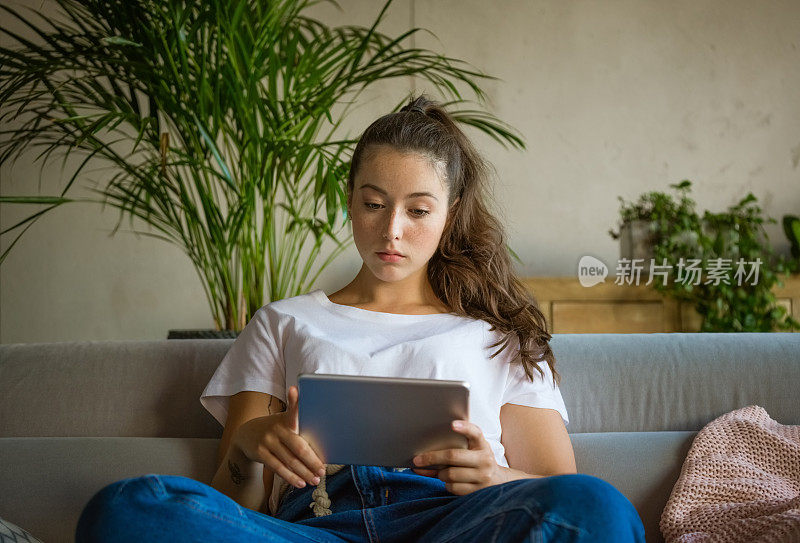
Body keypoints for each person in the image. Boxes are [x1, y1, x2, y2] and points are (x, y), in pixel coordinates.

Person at [76, 95, 645, 542]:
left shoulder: (495, 335)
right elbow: (234, 508)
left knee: (597, 507)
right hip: (315, 524)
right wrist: (250, 446)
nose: (392, 230)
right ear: (350, 200)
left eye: (419, 210)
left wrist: (496, 478)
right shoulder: (282, 322)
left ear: (449, 217)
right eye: (373, 204)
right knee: (129, 507)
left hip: (450, 524)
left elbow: (560, 490)